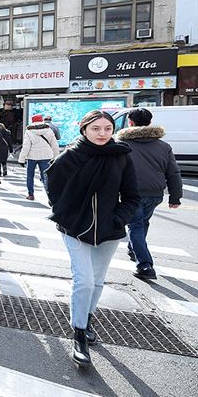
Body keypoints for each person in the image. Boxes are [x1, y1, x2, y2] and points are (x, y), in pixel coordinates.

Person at [47, 110, 139, 367]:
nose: (102, 134)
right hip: (75, 229)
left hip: (109, 231)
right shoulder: (70, 156)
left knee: (97, 282)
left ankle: (87, 319)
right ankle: (79, 335)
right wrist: (66, 213)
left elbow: (132, 196)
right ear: (84, 129)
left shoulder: (121, 156)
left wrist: (117, 219)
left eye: (107, 129)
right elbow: (52, 186)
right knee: (84, 281)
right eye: (96, 128)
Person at [116, 108, 183, 280]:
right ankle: (134, 249)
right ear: (150, 122)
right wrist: (175, 197)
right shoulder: (164, 146)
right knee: (142, 223)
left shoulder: (122, 144)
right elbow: (173, 173)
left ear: (130, 122)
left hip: (131, 193)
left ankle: (145, 265)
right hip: (155, 194)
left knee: (136, 226)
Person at [18, 114, 59, 200]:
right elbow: (54, 145)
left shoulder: (29, 131)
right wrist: (56, 157)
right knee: (45, 176)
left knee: (30, 176)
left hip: (32, 157)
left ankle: (31, 194)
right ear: (41, 120)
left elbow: (26, 147)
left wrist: (21, 159)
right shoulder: (49, 130)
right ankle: (50, 196)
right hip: (46, 156)